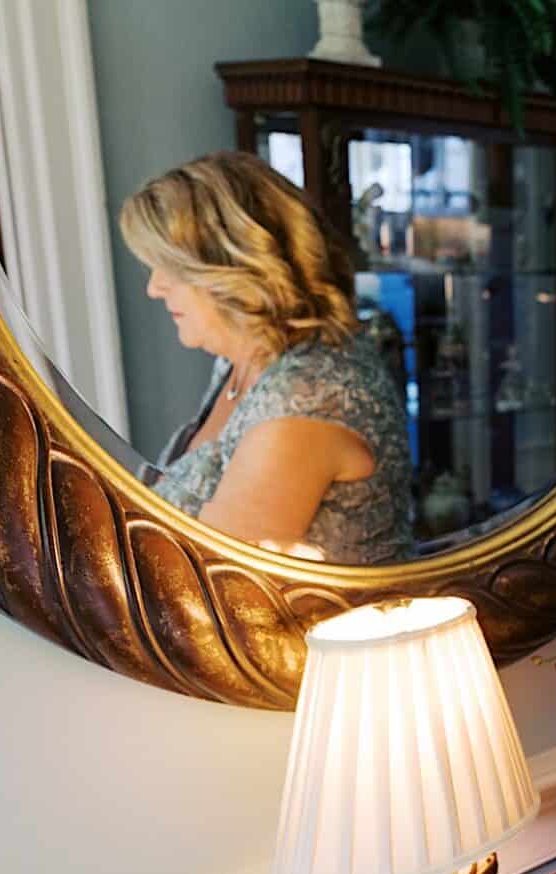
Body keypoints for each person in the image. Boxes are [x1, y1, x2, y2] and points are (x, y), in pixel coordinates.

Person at [120, 151, 411, 564]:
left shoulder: (308, 397)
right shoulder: (240, 363)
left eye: (171, 267)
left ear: (236, 267)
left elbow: (216, 584)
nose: (155, 287)